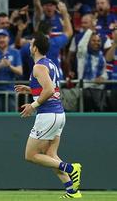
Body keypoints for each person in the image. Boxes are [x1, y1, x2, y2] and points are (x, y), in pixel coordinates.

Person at [14, 32, 82, 199]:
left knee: (30, 155)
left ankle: (71, 168)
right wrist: (31, 90)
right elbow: (52, 89)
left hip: (48, 114)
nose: (29, 46)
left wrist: (33, 105)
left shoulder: (39, 66)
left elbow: (50, 90)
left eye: (31, 44)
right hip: (58, 114)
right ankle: (72, 191)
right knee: (50, 155)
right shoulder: (49, 63)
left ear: (35, 48)